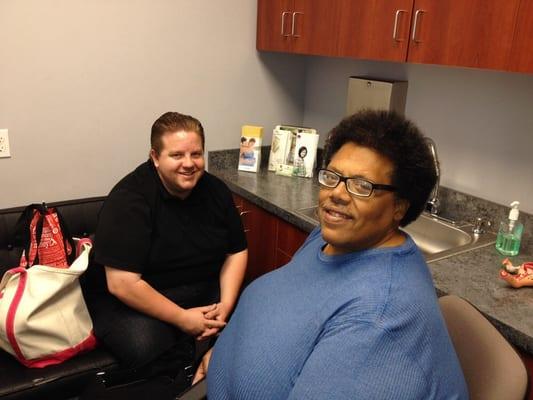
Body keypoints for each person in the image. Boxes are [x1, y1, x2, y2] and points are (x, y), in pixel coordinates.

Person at [194, 110, 468, 399]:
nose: (337, 193)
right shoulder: (332, 237)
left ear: (399, 207)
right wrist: (227, 353)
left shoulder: (380, 318)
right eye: (333, 176)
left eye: (362, 186)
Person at [82, 112, 248, 387]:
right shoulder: (129, 200)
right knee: (146, 344)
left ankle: (207, 366)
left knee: (252, 311)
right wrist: (183, 319)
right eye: (177, 155)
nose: (189, 164)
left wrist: (225, 307)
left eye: (196, 154)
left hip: (198, 287)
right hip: (132, 298)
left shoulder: (216, 190)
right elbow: (123, 284)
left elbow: (236, 251)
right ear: (155, 157)